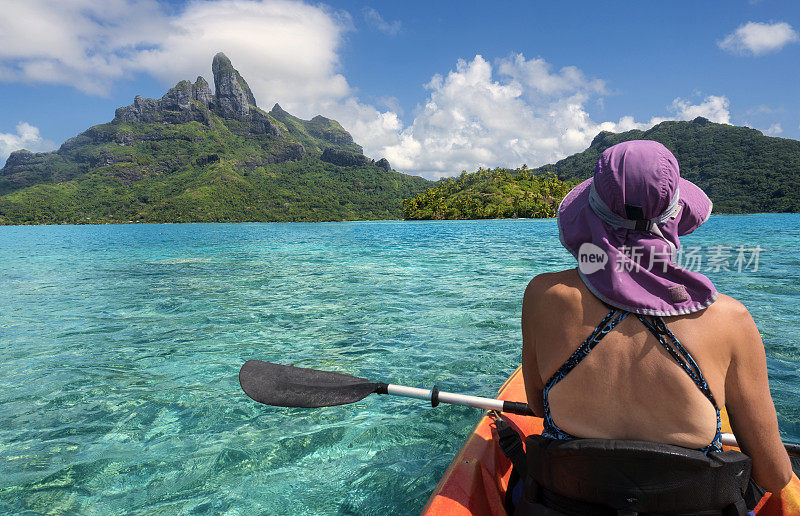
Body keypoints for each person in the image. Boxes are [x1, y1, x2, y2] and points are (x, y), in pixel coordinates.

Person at [520, 140, 792, 494]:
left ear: (591, 215)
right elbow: (774, 477)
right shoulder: (730, 320)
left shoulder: (543, 295)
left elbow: (537, 407)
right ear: (675, 215)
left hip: (568, 501)